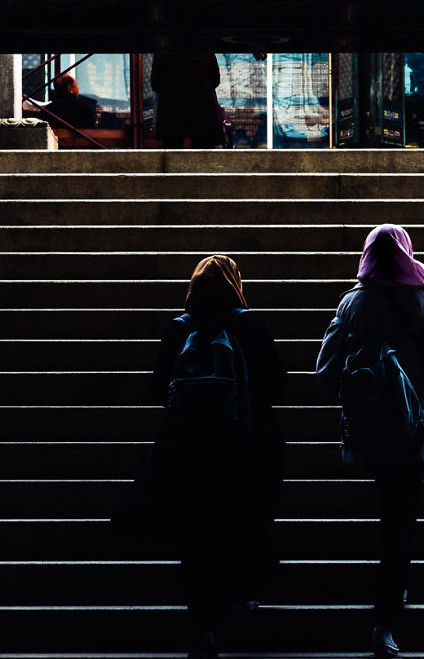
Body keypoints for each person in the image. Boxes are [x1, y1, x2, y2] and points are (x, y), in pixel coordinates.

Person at [316, 225, 424, 657]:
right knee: (399, 523)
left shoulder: (352, 303)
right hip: (410, 430)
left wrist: (357, 397)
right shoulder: (421, 299)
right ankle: (385, 620)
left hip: (367, 429)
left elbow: (325, 368)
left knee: (381, 513)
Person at [149, 255, 287, 659]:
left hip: (190, 449)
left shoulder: (178, 329)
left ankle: (202, 625)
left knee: (196, 532)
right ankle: (242, 592)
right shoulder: (251, 326)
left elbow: (158, 389)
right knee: (243, 518)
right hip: (246, 446)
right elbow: (278, 385)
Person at [151, 51, 227, 148]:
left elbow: (156, 84)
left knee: (173, 154)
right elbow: (215, 79)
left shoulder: (164, 51)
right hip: (201, 111)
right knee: (203, 153)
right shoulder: (203, 49)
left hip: (172, 113)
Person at [23, 73, 97, 129]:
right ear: (70, 89)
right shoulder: (84, 108)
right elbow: (91, 131)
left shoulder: (49, 109)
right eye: (76, 86)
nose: (78, 89)